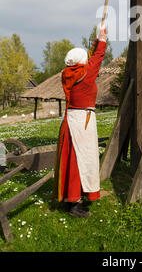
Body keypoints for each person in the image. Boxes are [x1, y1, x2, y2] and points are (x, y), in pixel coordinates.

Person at [53, 24, 107, 218]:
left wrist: (97, 40)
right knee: (78, 162)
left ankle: (73, 197)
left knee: (74, 160)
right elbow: (97, 58)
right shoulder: (85, 75)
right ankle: (75, 204)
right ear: (81, 61)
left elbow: (91, 57)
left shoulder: (70, 72)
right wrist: (102, 38)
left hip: (72, 121)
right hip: (81, 124)